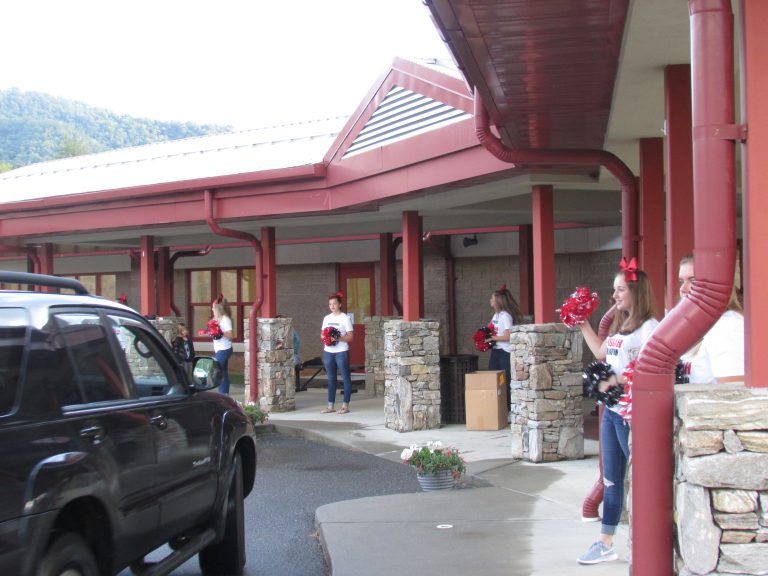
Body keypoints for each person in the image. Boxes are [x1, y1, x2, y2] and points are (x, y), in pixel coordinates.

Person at [576, 257, 659, 565]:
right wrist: (582, 323)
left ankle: (649, 541)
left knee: (641, 477)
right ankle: (605, 542)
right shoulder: (621, 326)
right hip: (611, 412)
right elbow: (602, 353)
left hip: (630, 415)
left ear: (637, 292)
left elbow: (649, 369)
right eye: (615, 289)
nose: (615, 295)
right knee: (612, 479)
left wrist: (615, 380)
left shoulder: (650, 328)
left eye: (621, 289)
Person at [678, 254, 744, 384]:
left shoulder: (727, 325)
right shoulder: (701, 324)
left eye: (693, 281)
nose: (682, 289)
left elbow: (733, 390)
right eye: (681, 282)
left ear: (717, 286)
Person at [487, 283, 523, 407]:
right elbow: (490, 329)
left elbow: (509, 336)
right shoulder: (496, 315)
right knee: (493, 377)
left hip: (505, 353)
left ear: (498, 301)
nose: (490, 300)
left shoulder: (506, 316)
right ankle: (497, 406)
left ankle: (507, 407)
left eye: (492, 298)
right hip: (496, 351)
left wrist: (493, 338)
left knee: (504, 380)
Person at [320, 291, 354, 414]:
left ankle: (345, 406)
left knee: (345, 378)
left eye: (334, 303)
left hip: (341, 351)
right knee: (331, 378)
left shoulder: (345, 318)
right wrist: (326, 338)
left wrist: (338, 338)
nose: (332, 306)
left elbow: (351, 337)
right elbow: (322, 334)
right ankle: (331, 406)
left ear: (340, 304)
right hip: (328, 351)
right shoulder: (326, 318)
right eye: (330, 304)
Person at [211, 295, 234, 394]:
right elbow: (214, 332)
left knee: (216, 370)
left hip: (224, 349)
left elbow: (230, 335)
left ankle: (223, 394)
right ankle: (224, 394)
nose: (212, 309)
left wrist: (220, 332)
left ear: (218, 308)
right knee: (223, 372)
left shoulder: (225, 320)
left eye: (213, 307)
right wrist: (207, 332)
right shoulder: (216, 319)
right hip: (219, 349)